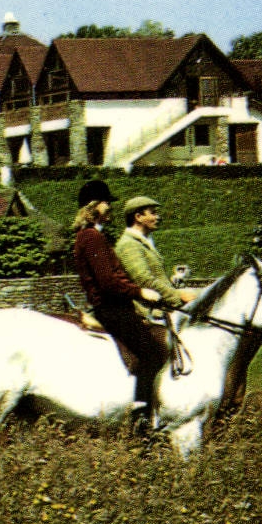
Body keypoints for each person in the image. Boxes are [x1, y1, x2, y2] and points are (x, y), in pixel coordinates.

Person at [71, 179, 165, 429]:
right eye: (105, 202)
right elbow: (108, 282)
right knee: (152, 353)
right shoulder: (91, 237)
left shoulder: (91, 236)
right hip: (111, 308)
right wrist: (140, 292)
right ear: (93, 206)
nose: (109, 206)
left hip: (115, 306)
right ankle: (141, 417)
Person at [114, 195, 199, 319]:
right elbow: (144, 280)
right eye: (153, 213)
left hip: (160, 308)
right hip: (150, 315)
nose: (158, 217)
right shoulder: (129, 244)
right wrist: (178, 295)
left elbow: (154, 277)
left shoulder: (141, 241)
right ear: (138, 217)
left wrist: (173, 281)